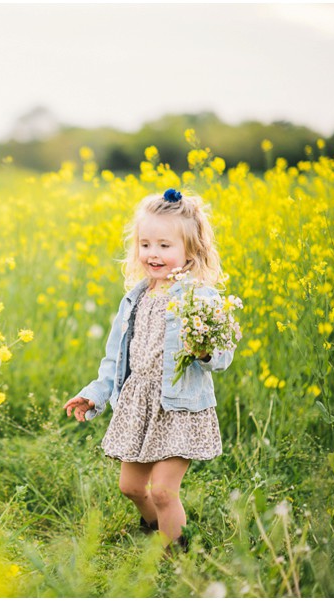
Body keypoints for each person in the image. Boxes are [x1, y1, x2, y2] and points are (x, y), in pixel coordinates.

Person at [63, 188, 232, 550]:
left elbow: (221, 356)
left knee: (164, 492)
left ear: (190, 251)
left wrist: (204, 351)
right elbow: (114, 361)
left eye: (164, 246)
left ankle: (176, 555)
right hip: (138, 405)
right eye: (145, 244)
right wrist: (94, 395)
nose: (152, 254)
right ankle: (157, 529)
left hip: (179, 408)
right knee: (132, 488)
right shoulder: (135, 299)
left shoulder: (199, 297)